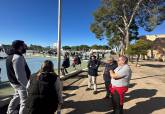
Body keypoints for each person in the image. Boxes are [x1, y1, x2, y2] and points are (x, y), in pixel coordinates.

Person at [6, 40, 31, 114]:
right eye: (24, 46)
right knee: (25, 102)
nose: (25, 47)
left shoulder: (10, 56)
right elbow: (20, 77)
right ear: (20, 47)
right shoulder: (17, 57)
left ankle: (10, 111)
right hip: (20, 84)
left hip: (14, 82)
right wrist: (28, 86)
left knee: (17, 96)